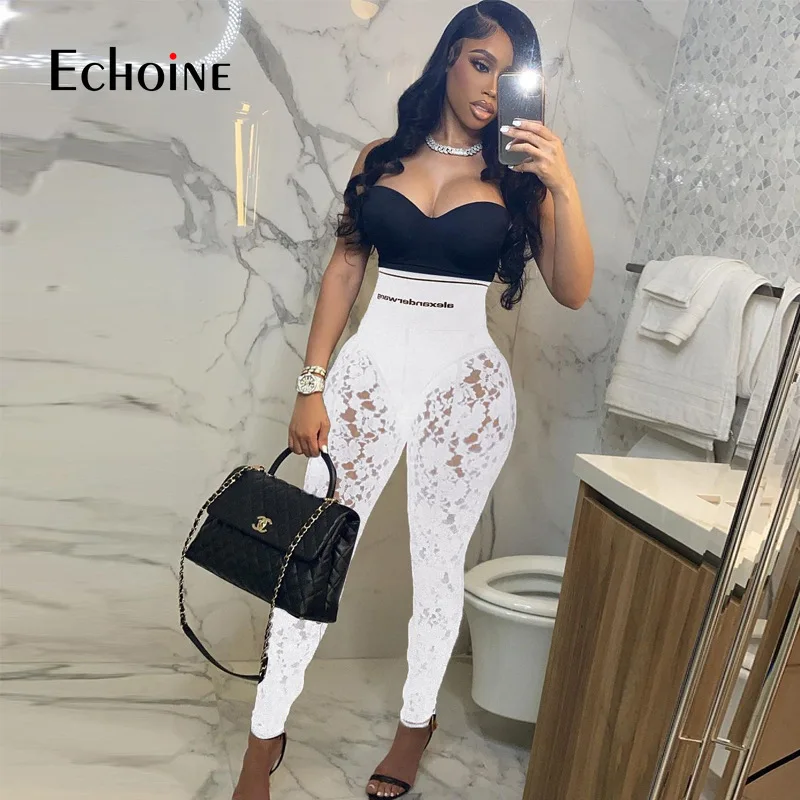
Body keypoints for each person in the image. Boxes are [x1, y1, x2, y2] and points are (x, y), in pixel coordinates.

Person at [233, 2, 593, 798]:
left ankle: (415, 722)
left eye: (508, 75)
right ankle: (264, 736)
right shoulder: (382, 157)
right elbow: (344, 270)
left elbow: (573, 290)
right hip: (367, 375)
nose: (491, 88)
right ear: (449, 59)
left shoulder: (520, 179)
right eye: (480, 64)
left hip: (466, 389)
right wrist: (312, 383)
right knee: (311, 554)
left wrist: (562, 183)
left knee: (438, 566)